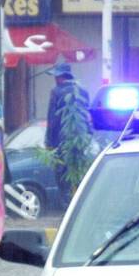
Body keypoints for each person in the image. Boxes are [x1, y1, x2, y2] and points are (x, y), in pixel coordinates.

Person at [44, 62, 91, 206]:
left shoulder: (56, 91)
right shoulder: (83, 91)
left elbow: (52, 118)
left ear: (60, 77)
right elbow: (87, 116)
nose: (55, 79)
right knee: (81, 174)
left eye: (56, 76)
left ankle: (67, 205)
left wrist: (49, 142)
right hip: (81, 142)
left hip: (61, 142)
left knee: (62, 175)